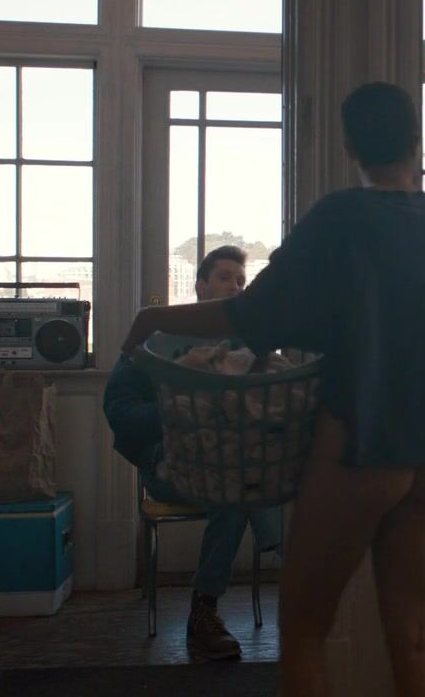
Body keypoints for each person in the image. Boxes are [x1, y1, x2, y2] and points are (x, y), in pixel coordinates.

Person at [117, 82, 425, 697]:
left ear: (350, 146)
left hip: (359, 449)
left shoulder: (339, 219)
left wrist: (151, 317)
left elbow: (250, 315)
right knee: (414, 643)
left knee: (303, 637)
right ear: (415, 139)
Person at [103, 244, 283, 661]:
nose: (235, 287)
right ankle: (212, 605)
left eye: (241, 281)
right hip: (167, 462)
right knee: (239, 491)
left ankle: (208, 609)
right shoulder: (155, 342)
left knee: (245, 484)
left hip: (231, 463)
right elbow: (120, 412)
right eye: (224, 277)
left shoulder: (245, 348)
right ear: (201, 285)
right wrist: (183, 409)